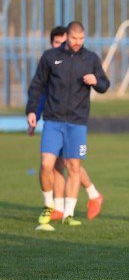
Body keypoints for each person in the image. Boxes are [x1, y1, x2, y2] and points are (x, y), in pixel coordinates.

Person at [26, 21, 109, 226]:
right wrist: (31, 111)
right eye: (74, 38)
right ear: (67, 37)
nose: (77, 42)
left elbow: (105, 84)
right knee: (47, 164)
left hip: (77, 121)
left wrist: (96, 82)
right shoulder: (50, 57)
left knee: (73, 166)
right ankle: (49, 205)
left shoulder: (91, 59)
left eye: (81, 38)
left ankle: (68, 214)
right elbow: (37, 85)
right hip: (53, 120)